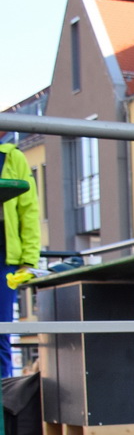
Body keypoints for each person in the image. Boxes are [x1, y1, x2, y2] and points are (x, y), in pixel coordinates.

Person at [1, 143, 43, 378]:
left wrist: (28, 260)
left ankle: (2, 406)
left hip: (3, 258)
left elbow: (28, 209)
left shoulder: (11, 157)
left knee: (1, 333)